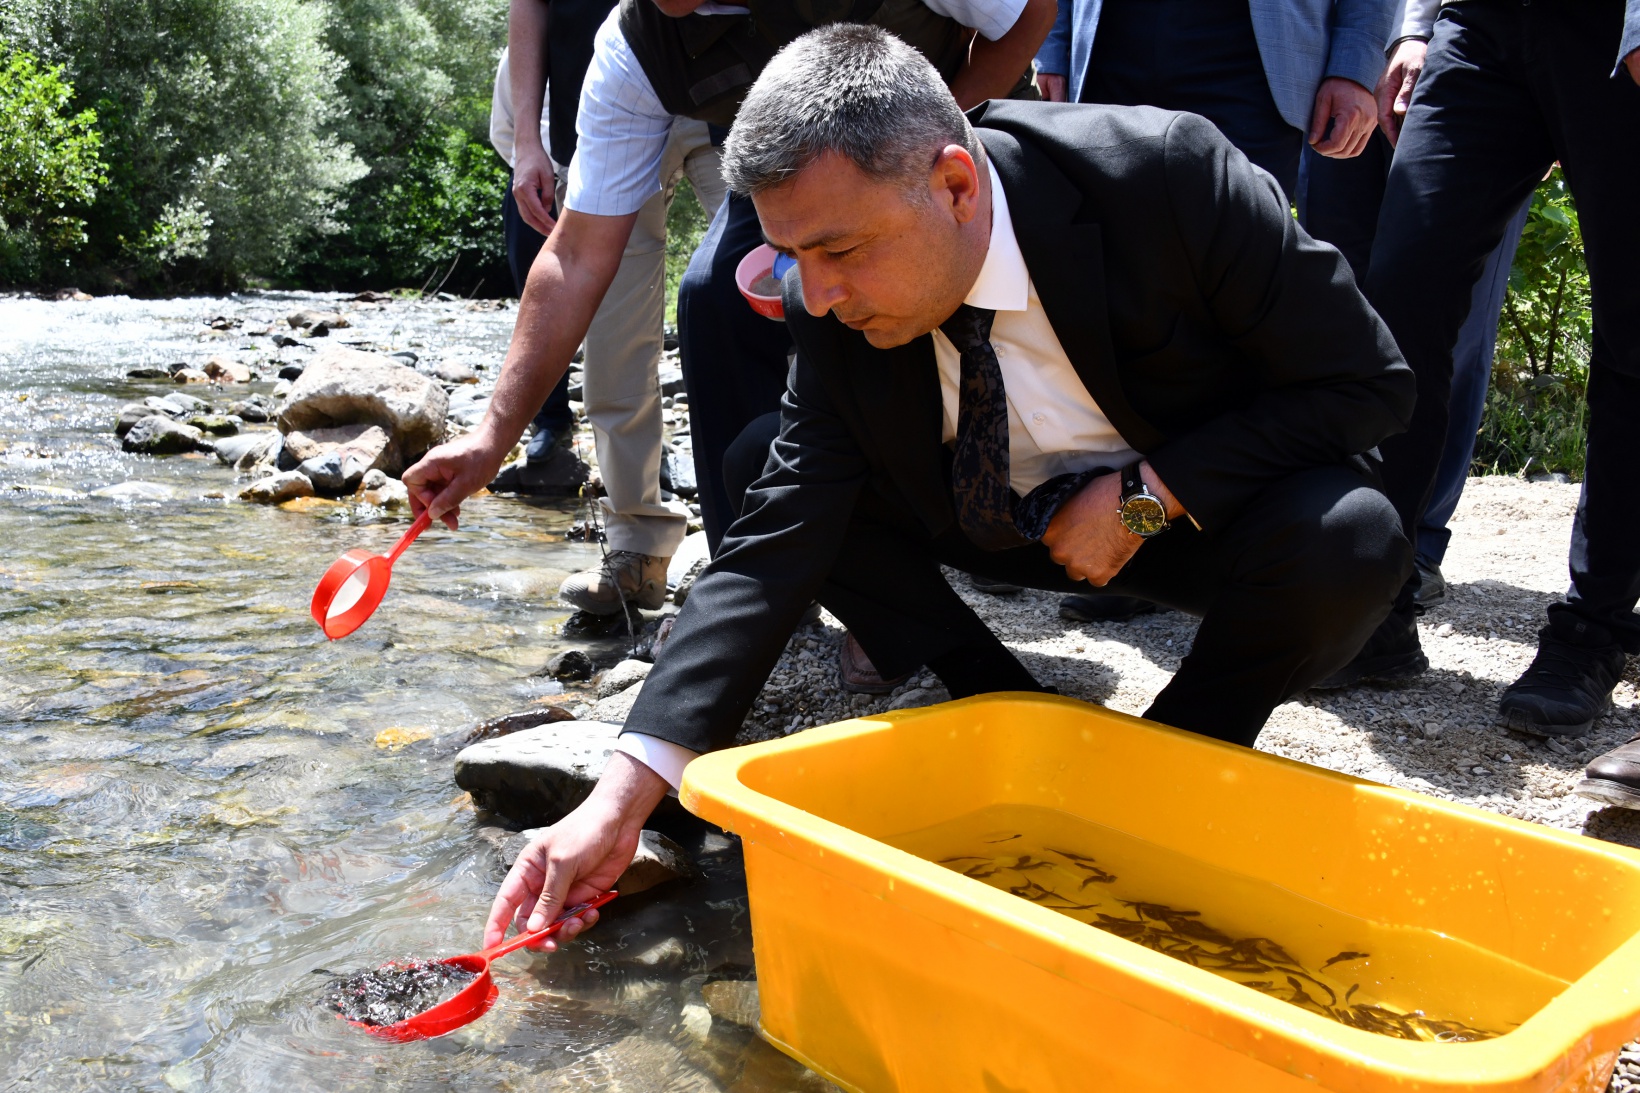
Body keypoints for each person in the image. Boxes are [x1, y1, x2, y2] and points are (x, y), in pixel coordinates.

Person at [482, 25, 1415, 944]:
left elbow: (1368, 384)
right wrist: (621, 795)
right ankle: (1000, 704)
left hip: (1193, 521)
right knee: (756, 459)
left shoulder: (1166, 177)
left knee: (1353, 536)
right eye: (793, 257)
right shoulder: (825, 298)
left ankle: (1176, 753)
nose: (820, 293)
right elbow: (772, 547)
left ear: (956, 185)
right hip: (991, 516)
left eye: (842, 252)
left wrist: (1146, 497)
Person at [404, 0, 1053, 623]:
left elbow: (1030, 13)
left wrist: (919, 156)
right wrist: (490, 437)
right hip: (811, 176)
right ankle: (771, 589)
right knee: (712, 296)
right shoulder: (635, 45)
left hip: (958, 141)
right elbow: (575, 255)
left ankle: (996, 501)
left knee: (886, 282)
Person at [1320, 0, 1640, 784]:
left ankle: (1591, 631)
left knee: (1634, 330)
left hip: (1610, 29)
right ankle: (1376, 608)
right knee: (1401, 297)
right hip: (1481, 24)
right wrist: (1421, 24)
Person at [1033, 0, 1393, 625]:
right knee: (1109, 295)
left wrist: (1356, 62)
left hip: (1254, 56)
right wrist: (1053, 42)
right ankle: (1130, 532)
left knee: (1230, 307)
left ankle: (1223, 527)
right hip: (1111, 45)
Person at [1296, 0, 1531, 608]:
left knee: (1450, 322)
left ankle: (1418, 540)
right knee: (1337, 304)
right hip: (1337, 57)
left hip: (1465, 47)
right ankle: (1345, 529)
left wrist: (1417, 29)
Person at [494, 0, 726, 611]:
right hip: (604, 91)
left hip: (733, 92)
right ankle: (637, 546)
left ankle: (779, 543)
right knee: (614, 340)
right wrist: (528, 140)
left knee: (761, 304)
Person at [489, 47, 578, 464]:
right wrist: (530, 168)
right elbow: (502, 129)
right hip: (534, 186)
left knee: (621, 307)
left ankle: (628, 431)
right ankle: (552, 420)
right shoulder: (516, 57)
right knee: (537, 304)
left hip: (604, 183)